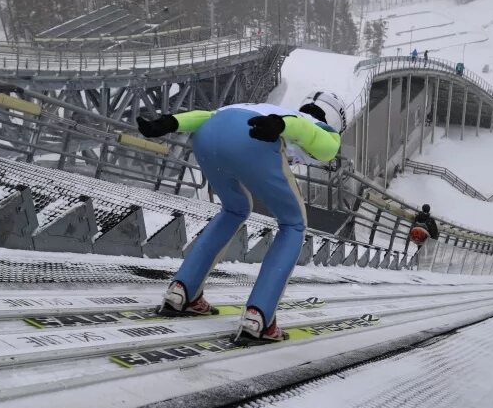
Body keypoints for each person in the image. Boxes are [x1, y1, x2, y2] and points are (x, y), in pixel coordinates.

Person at [136, 92, 344, 342]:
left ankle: (182, 291)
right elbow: (316, 138)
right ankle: (260, 317)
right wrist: (282, 125)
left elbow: (209, 116)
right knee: (293, 224)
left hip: (208, 136)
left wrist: (171, 122)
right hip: (252, 143)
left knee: (235, 209)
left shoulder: (260, 105)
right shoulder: (322, 130)